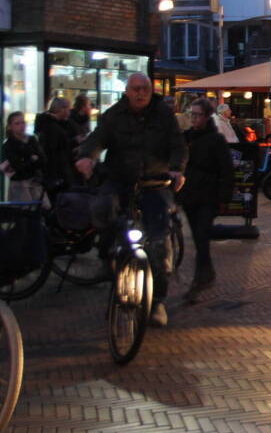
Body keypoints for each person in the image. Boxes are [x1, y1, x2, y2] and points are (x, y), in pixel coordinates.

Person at [75, 73, 187, 328]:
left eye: (145, 89)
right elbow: (97, 138)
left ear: (151, 90)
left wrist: (177, 169)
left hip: (154, 182)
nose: (140, 93)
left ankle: (157, 301)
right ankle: (107, 256)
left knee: (159, 243)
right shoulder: (115, 114)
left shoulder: (164, 115)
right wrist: (87, 157)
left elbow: (178, 145)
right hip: (121, 180)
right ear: (127, 91)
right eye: (135, 89)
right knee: (103, 208)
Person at [178, 97, 234, 304]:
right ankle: (207, 272)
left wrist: (224, 197)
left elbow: (226, 169)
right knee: (199, 238)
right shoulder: (186, 137)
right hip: (189, 195)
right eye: (191, 114)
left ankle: (199, 280)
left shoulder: (216, 140)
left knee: (201, 236)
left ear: (206, 116)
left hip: (207, 196)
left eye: (197, 115)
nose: (193, 118)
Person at [2, 111, 48, 206]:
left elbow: (42, 160)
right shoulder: (9, 144)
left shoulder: (32, 139)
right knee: (23, 211)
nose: (21, 126)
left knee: (40, 211)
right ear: (10, 126)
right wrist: (31, 159)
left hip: (35, 182)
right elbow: (18, 166)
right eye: (17, 123)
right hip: (20, 183)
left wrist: (30, 160)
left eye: (23, 122)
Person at [34, 96, 76, 196]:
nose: (69, 112)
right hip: (58, 173)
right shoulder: (52, 128)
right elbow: (50, 152)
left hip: (56, 172)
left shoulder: (50, 125)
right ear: (61, 109)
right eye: (68, 109)